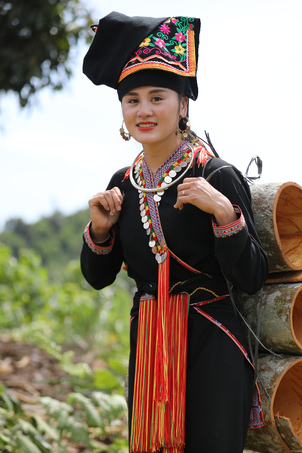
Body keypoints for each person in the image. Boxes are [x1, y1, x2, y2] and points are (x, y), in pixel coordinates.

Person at [80, 12, 268, 453]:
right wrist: (101, 231)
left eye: (157, 97)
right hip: (149, 343)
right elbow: (97, 277)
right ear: (123, 112)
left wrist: (224, 212)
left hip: (212, 343)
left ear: (183, 104)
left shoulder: (216, 174)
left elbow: (252, 277)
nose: (144, 110)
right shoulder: (122, 182)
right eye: (132, 100)